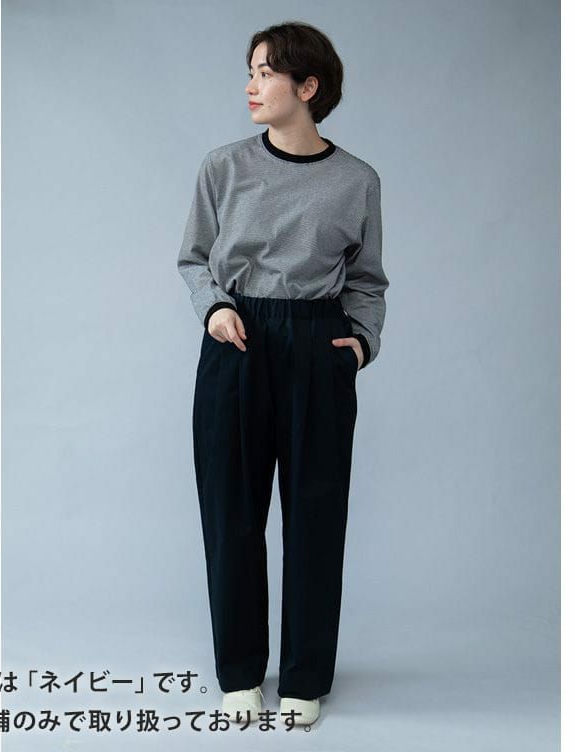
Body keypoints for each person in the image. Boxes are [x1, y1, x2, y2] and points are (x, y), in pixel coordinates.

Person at [177, 21, 389, 727]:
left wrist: (359, 344)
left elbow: (367, 279)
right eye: (251, 71)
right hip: (237, 341)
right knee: (232, 516)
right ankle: (240, 673)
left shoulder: (357, 180)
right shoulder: (223, 168)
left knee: (316, 517)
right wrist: (214, 310)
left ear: (308, 86)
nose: (251, 85)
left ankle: (304, 677)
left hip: (317, 345)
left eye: (265, 72)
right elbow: (194, 259)